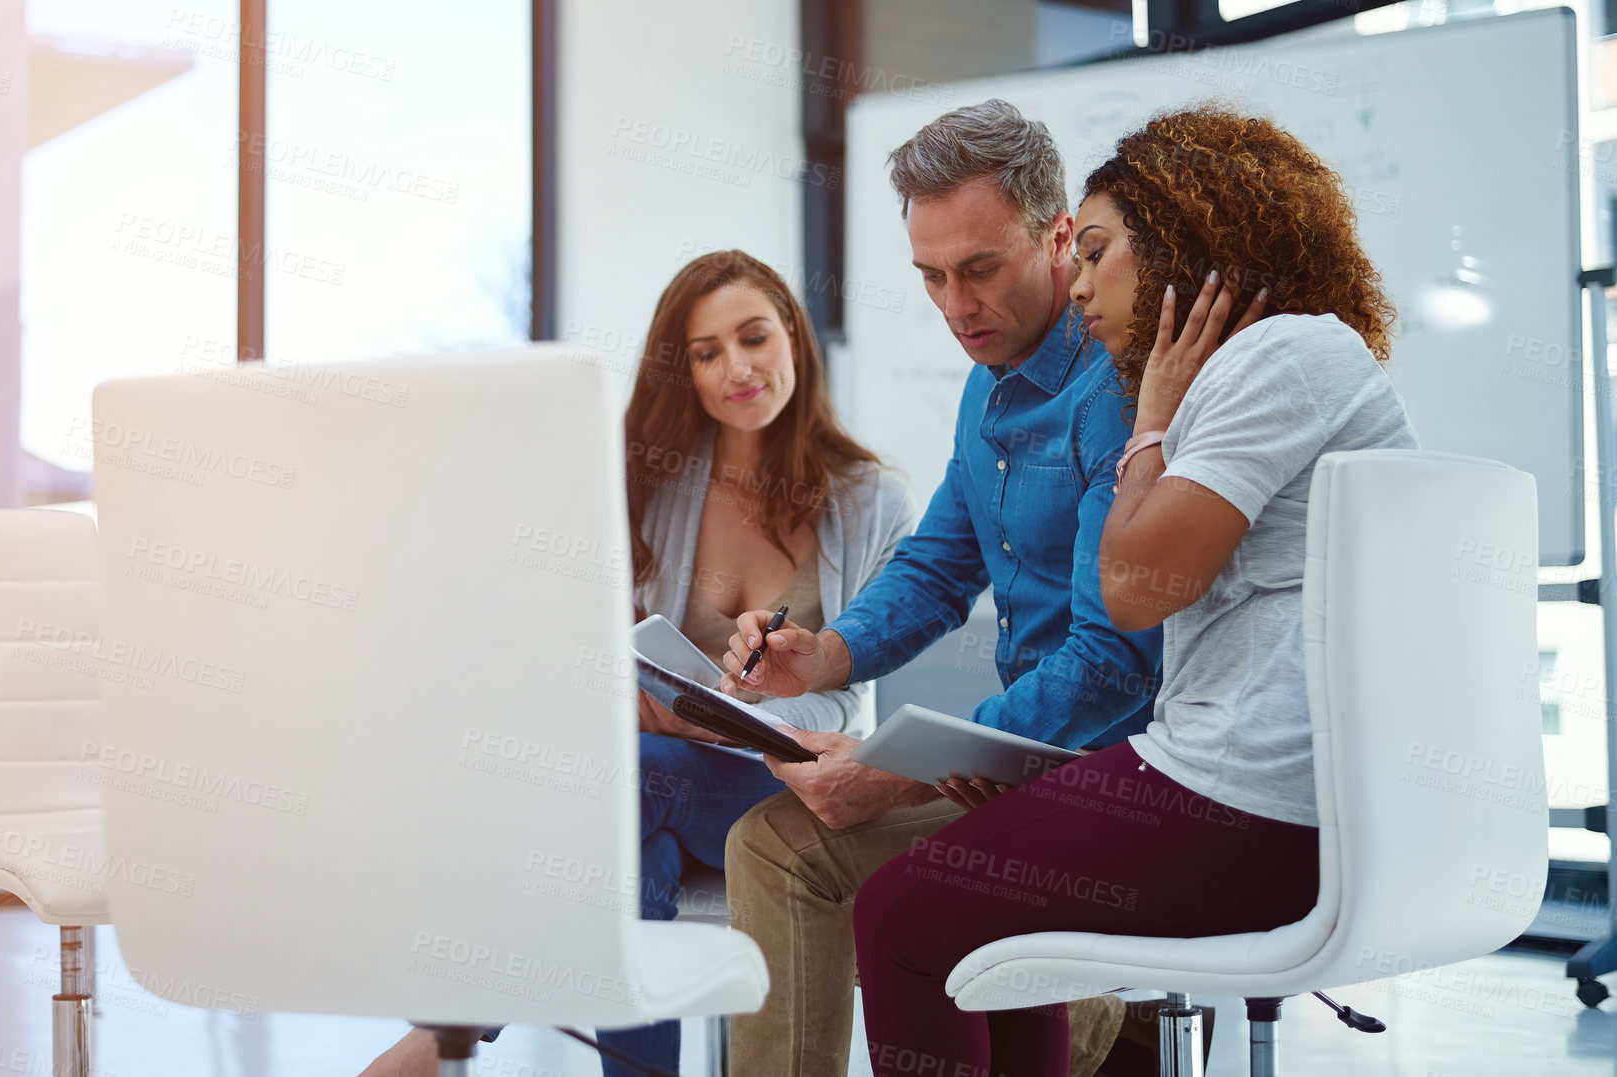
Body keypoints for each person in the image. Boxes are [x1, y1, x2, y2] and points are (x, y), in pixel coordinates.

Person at [846, 105, 1416, 1074]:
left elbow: (1134, 591)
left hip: (1249, 805)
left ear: (1185, 242)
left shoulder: (1274, 359)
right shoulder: (1279, 362)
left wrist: (1148, 420)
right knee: (975, 917)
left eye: (1098, 251)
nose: (1079, 286)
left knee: (898, 915)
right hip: (1272, 797)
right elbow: (958, 562)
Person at [358, 250, 917, 1077]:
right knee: (635, 841)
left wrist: (732, 718)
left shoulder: (873, 499)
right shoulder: (651, 483)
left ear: (792, 336)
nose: (738, 368)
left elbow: (848, 708)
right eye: (706, 352)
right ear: (683, 370)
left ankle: (450, 1023)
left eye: (754, 337)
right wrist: (629, 693)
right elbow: (584, 648)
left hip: (780, 782)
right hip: (655, 785)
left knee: (631, 779)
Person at [713, 99, 1163, 1077]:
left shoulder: (1114, 392)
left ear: (1056, 238)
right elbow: (937, 562)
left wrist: (898, 768)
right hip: (1011, 777)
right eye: (930, 277)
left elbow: (1110, 662)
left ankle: (1097, 1010)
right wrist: (824, 654)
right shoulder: (988, 384)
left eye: (979, 270)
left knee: (902, 893)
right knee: (771, 847)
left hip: (1109, 787)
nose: (955, 305)